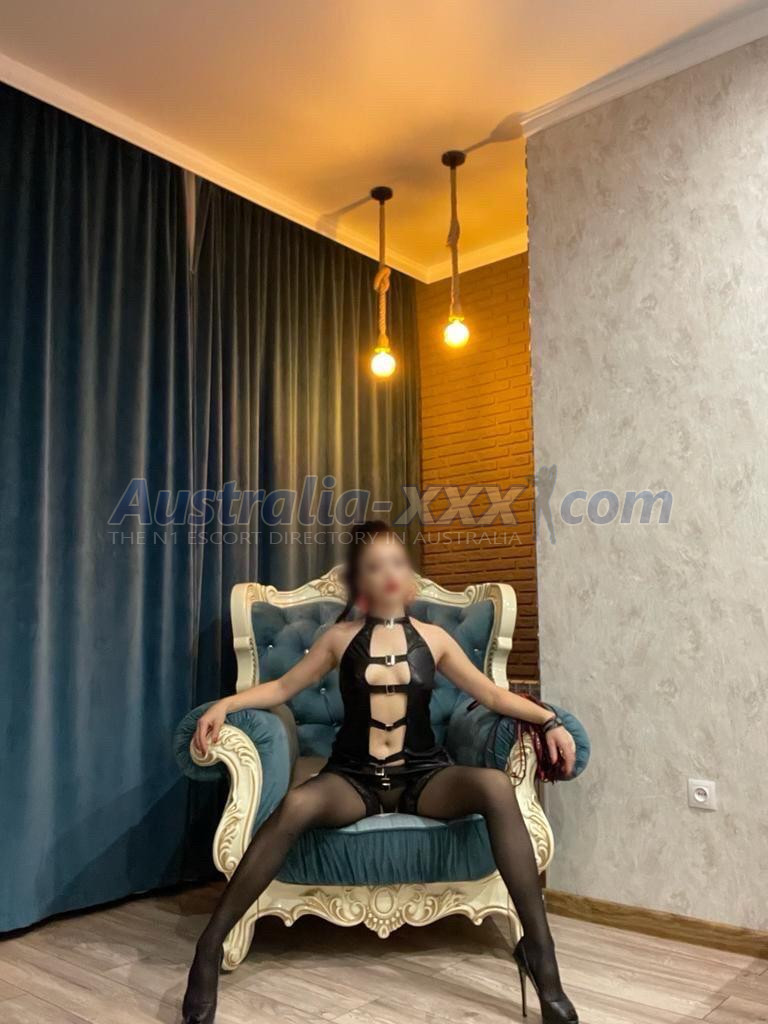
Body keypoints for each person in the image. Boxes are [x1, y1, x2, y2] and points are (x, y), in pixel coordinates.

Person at [182, 521, 579, 1024]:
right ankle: (210, 947)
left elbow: (492, 695)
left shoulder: (435, 639)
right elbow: (281, 689)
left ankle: (541, 959)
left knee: (496, 786)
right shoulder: (337, 639)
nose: (389, 573)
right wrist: (224, 705)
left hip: (423, 777)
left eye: (396, 562)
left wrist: (550, 720)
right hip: (354, 779)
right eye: (374, 566)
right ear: (360, 581)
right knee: (297, 804)